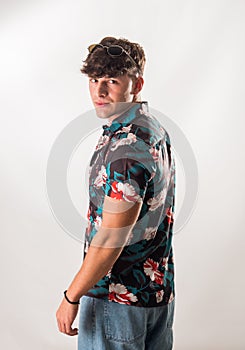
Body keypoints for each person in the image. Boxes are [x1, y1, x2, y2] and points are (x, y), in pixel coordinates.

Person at [56, 36, 176, 350]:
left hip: (116, 301)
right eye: (94, 79)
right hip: (155, 296)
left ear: (138, 82)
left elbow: (112, 236)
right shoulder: (152, 129)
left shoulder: (127, 144)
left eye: (111, 79)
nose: (100, 91)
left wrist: (71, 296)